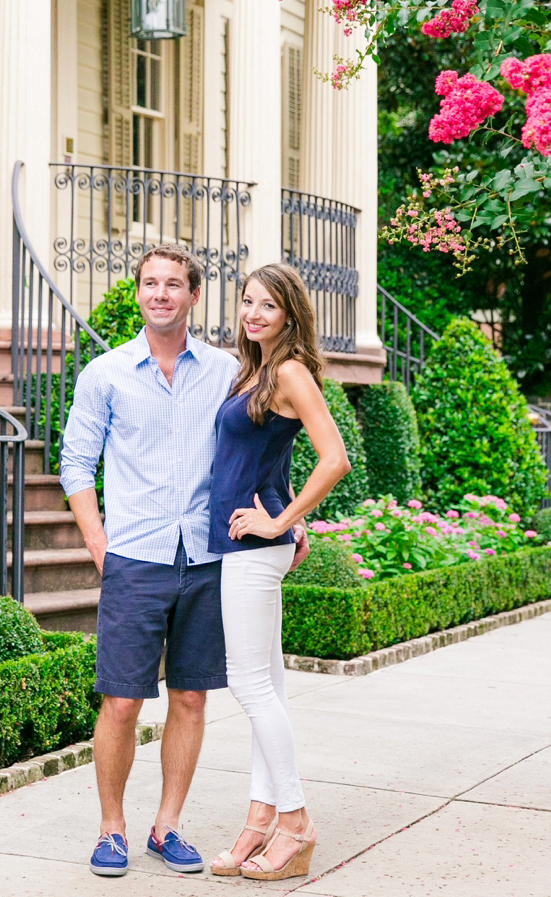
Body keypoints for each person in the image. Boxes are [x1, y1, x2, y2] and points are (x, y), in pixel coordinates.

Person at [59, 243, 245, 878]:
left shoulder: (226, 371)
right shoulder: (105, 374)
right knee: (120, 702)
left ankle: (167, 826)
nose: (161, 293)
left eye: (174, 283)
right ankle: (111, 828)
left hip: (205, 556)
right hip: (134, 558)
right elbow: (77, 464)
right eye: (150, 283)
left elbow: (253, 450)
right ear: (137, 294)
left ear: (194, 295)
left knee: (190, 698)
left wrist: (281, 515)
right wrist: (97, 545)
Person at [205, 264, 352, 881]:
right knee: (268, 683)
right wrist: (288, 515)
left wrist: (280, 519)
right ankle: (260, 818)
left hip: (250, 548)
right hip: (246, 544)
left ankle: (295, 821)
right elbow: (267, 457)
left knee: (250, 685)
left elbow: (335, 458)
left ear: (290, 314)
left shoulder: (289, 371)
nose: (254, 313)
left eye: (268, 305)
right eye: (247, 302)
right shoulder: (255, 373)